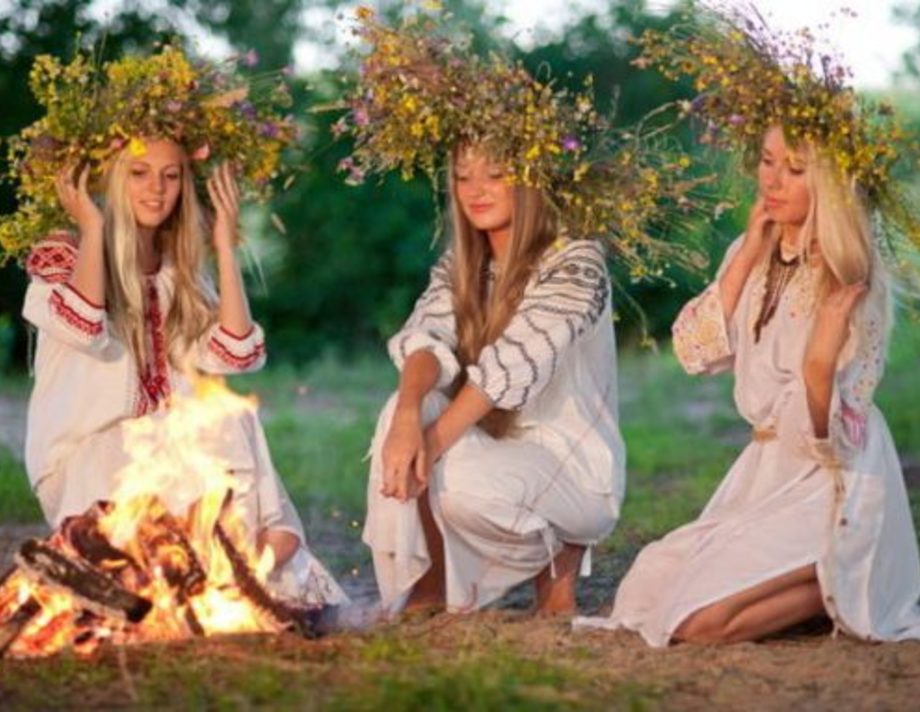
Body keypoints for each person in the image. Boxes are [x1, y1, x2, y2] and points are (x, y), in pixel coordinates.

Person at [336, 8, 702, 615]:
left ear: (529, 178)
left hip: (574, 468)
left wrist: (427, 445)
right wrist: (406, 416)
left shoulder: (576, 263)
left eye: (497, 174)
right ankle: (426, 598)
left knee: (453, 481)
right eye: (462, 176)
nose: (476, 189)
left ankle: (556, 571)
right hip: (501, 450)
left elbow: (514, 365)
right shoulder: (464, 265)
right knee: (401, 411)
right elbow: (426, 335)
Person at [575, 6, 920, 644]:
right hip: (763, 471)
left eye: (795, 168)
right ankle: (820, 586)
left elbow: (832, 441)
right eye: (766, 161)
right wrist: (746, 258)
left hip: (833, 481)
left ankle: (844, 574)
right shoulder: (752, 253)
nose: (774, 180)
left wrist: (818, 368)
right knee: (650, 585)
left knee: (702, 625)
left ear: (829, 179)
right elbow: (693, 352)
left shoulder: (848, 272)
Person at [11, 46, 346, 606]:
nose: (156, 189)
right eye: (138, 173)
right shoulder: (63, 256)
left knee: (228, 414)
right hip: (89, 455)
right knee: (151, 459)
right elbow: (85, 325)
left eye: (171, 176)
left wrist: (223, 246)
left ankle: (235, 567)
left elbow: (235, 356)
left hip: (166, 447)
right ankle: (141, 571)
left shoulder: (177, 274)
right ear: (112, 177)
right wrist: (91, 225)